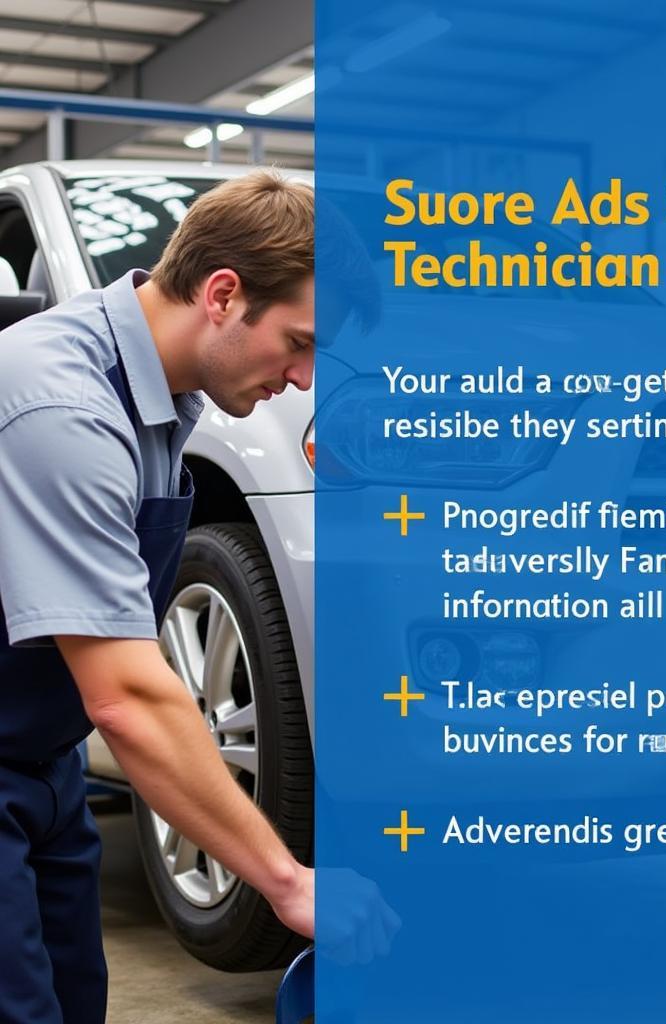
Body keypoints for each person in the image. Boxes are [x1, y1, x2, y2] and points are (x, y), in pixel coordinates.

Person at [0, 170, 397, 1023]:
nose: (300, 379)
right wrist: (289, 882)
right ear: (223, 294)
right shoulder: (61, 405)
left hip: (44, 758)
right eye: (298, 343)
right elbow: (130, 696)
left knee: (75, 1002)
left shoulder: (165, 404)